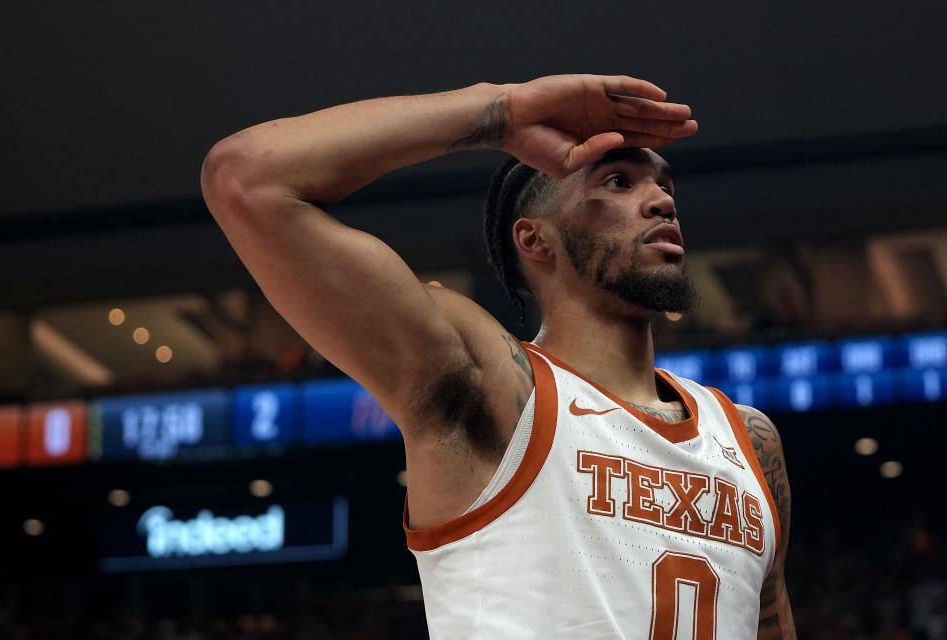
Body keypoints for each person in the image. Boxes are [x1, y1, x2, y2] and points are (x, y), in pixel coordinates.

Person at [200, 74, 795, 639]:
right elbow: (246, 178)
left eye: (665, 186)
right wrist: (501, 111)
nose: (661, 201)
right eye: (619, 182)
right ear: (535, 239)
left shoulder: (748, 440)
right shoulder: (495, 388)